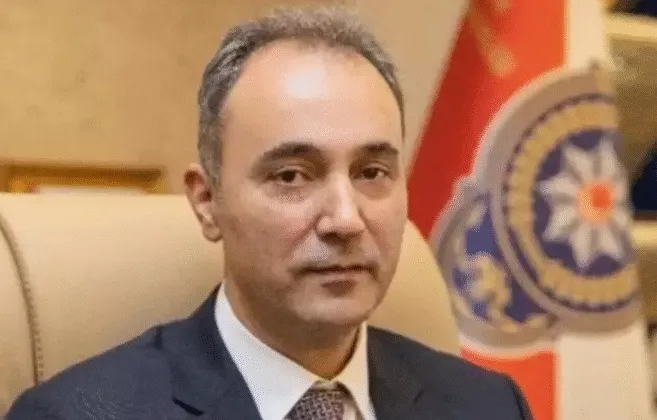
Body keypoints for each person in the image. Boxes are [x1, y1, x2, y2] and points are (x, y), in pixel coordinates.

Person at [7, 7, 533, 420]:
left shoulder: (488, 406)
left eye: (372, 172)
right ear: (206, 202)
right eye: (292, 176)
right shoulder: (74, 416)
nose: (346, 219)